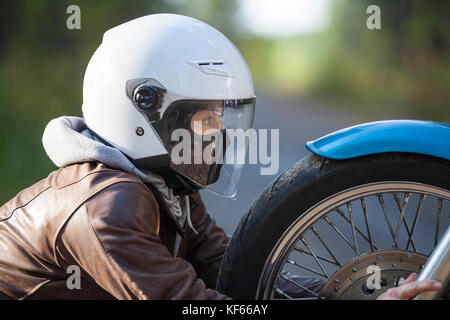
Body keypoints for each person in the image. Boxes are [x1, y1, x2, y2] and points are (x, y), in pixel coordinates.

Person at [0, 14, 441, 300]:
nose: (217, 135)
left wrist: (350, 293)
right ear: (144, 109)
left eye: (220, 118)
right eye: (203, 119)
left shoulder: (162, 184)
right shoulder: (106, 209)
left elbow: (233, 273)